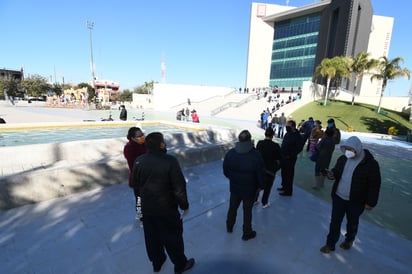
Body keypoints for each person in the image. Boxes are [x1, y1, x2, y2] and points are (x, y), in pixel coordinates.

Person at [132, 132, 195, 273]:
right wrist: (184, 205)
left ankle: (157, 261)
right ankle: (180, 265)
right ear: (161, 144)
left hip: (147, 209)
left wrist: (139, 208)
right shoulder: (170, 161)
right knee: (173, 238)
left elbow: (136, 186)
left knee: (151, 237)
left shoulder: (139, 160)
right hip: (166, 209)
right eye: (163, 141)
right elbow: (179, 187)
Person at [320, 136, 381, 254]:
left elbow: (374, 184)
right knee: (335, 222)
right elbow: (337, 171)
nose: (348, 152)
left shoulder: (371, 164)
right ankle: (330, 244)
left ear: (357, 148)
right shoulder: (343, 159)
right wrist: (332, 174)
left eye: (350, 149)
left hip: (356, 201)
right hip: (339, 197)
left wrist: (371, 202)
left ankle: (349, 239)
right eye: (346, 149)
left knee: (352, 222)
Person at [223, 130, 265, 240]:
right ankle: (247, 233)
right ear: (250, 140)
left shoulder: (231, 153)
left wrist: (233, 178)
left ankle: (229, 227)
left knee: (232, 208)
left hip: (235, 187)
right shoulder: (256, 155)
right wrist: (261, 185)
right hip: (250, 189)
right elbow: (260, 173)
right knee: (247, 211)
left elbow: (225, 171)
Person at [123, 127, 147, 223]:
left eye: (142, 134)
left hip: (148, 176)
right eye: (139, 136)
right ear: (132, 138)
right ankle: (141, 217)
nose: (142, 137)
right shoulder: (129, 148)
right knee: (139, 199)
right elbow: (135, 164)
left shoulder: (143, 144)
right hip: (138, 178)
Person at [254, 127, 281, 208]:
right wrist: (276, 168)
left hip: (260, 169)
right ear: (272, 135)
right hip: (270, 170)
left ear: (265, 134)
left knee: (257, 185)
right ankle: (264, 203)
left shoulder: (260, 143)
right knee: (268, 187)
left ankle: (254, 200)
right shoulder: (276, 146)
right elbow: (279, 158)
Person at [278, 119, 303, 196]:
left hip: (290, 158)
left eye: (288, 126)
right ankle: (284, 186)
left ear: (293, 126)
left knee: (289, 174)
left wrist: (290, 155)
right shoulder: (287, 134)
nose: (286, 127)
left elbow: (299, 148)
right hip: (283, 157)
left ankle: (288, 191)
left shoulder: (297, 136)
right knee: (283, 173)